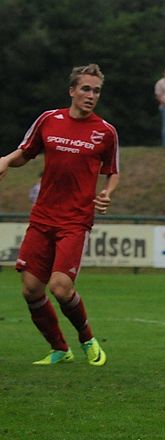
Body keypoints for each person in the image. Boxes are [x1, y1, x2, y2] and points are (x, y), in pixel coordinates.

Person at [0, 63, 118, 366]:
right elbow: (25, 152)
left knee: (61, 287)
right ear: (72, 91)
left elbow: (112, 172)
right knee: (30, 290)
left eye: (96, 91)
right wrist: (5, 160)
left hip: (75, 220)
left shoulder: (105, 132)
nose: (91, 95)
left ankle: (87, 339)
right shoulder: (49, 120)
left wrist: (107, 193)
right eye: (86, 89)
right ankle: (59, 349)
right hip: (42, 217)